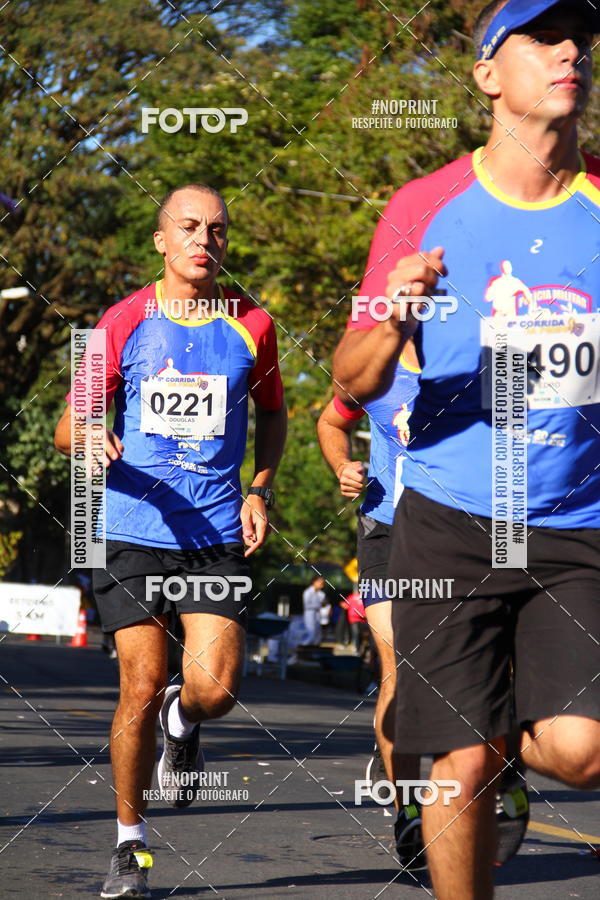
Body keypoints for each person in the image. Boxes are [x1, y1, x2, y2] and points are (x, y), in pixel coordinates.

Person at [332, 2, 600, 897]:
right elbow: (354, 375)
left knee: (582, 749)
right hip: (449, 517)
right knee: (459, 756)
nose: (571, 52)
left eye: (581, 42)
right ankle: (473, 734)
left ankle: (498, 720)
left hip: (575, 521)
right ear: (488, 75)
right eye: (544, 38)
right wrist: (395, 314)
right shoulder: (422, 208)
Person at [54, 183, 287, 899]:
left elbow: (274, 415)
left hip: (213, 529)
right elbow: (69, 425)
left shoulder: (254, 325)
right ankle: (130, 845)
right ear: (161, 240)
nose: (204, 240)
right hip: (131, 529)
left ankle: (184, 722)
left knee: (215, 687)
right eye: (188, 227)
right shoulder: (122, 321)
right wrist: (91, 431)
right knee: (140, 683)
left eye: (217, 229)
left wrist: (261, 489)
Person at [318, 343, 424, 867]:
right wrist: (343, 467)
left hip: (466, 536)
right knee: (399, 667)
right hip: (387, 530)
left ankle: (501, 774)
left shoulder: (488, 362)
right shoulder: (378, 368)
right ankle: (409, 812)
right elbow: (329, 422)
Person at [302, 575, 326, 644]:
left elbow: (323, 603)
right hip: (309, 612)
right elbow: (307, 605)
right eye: (320, 583)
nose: (322, 585)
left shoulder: (321, 594)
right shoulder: (307, 592)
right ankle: (303, 647)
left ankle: (314, 649)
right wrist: (319, 605)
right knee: (311, 632)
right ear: (314, 582)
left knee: (317, 633)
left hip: (318, 613)